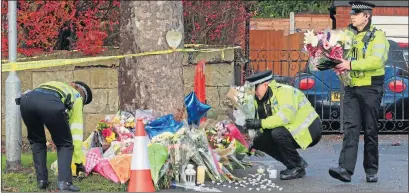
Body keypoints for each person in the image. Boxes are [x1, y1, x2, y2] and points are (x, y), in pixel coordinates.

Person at [328, 0, 389, 183]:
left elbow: (377, 61)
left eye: (356, 14)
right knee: (351, 128)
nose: (352, 16)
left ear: (366, 16)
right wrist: (332, 61)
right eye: (351, 13)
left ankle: (371, 170)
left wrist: (350, 64)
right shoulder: (347, 34)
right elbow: (334, 52)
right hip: (352, 88)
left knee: (370, 129)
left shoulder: (378, 36)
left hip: (371, 88)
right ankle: (345, 169)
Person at [244, 70, 322, 180]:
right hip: (292, 129)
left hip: (310, 129)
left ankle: (298, 168)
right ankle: (293, 164)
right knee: (260, 141)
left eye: (256, 88)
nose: (254, 92)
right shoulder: (260, 99)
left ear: (265, 84)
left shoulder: (284, 92)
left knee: (278, 133)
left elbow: (285, 117)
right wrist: (255, 142)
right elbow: (266, 124)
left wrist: (259, 123)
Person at [18, 81, 93, 191]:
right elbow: (76, 134)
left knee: (37, 141)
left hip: (26, 100)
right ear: (82, 95)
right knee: (65, 144)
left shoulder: (56, 85)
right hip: (51, 103)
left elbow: (39, 99)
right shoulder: (77, 97)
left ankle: (42, 180)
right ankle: (64, 183)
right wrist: (78, 161)